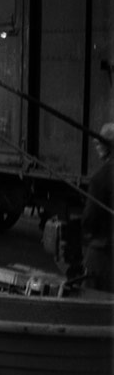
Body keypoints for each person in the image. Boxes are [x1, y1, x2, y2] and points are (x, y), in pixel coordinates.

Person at [82, 122, 114, 291]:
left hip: (104, 258)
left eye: (99, 142)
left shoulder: (100, 178)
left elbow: (90, 220)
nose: (96, 144)